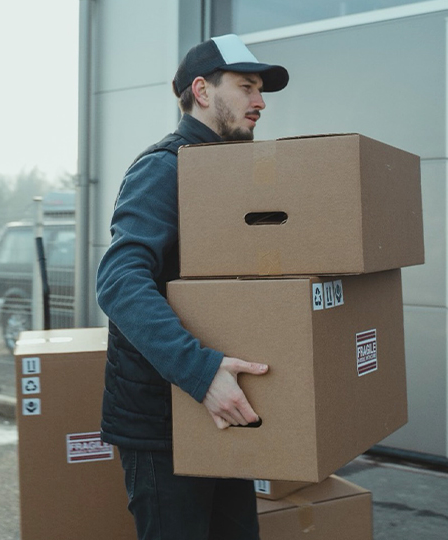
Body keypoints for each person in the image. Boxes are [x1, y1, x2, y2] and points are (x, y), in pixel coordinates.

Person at [96, 34, 289, 540]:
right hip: (166, 424)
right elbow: (119, 282)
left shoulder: (231, 174)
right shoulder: (165, 167)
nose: (260, 102)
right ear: (202, 91)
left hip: (221, 407)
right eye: (246, 87)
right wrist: (201, 372)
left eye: (261, 90)